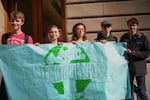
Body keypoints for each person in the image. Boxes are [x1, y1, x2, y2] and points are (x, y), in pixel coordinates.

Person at [0, 10, 33, 100]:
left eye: (17, 20)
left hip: (22, 74)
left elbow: (30, 56)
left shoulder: (27, 38)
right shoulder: (5, 37)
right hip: (7, 74)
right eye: (12, 20)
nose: (14, 23)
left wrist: (36, 48)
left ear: (22, 22)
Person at [120, 17, 150, 100]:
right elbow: (120, 50)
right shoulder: (124, 37)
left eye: (134, 25)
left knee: (142, 90)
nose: (132, 27)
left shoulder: (143, 37)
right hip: (128, 67)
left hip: (140, 67)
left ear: (137, 26)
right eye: (130, 25)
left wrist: (133, 53)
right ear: (127, 26)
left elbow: (147, 52)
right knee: (129, 89)